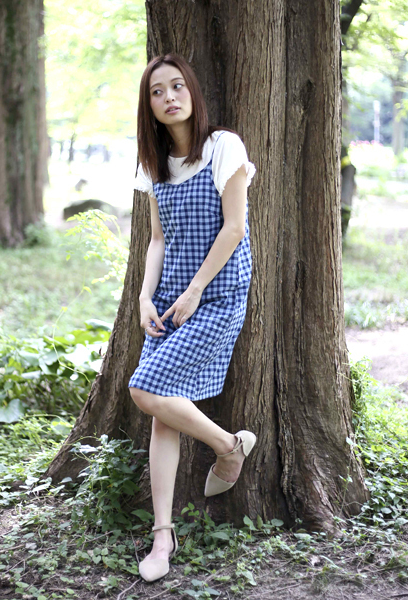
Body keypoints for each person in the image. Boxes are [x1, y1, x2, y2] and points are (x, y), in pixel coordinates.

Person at [128, 53, 257, 583]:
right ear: (149, 105)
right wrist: (144, 297)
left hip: (217, 294)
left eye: (177, 86)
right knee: (163, 411)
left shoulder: (224, 146)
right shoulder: (153, 163)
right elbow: (157, 239)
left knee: (146, 389)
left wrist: (196, 291)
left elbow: (235, 229)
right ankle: (163, 535)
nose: (169, 97)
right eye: (157, 91)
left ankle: (228, 448)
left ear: (192, 92)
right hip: (169, 302)